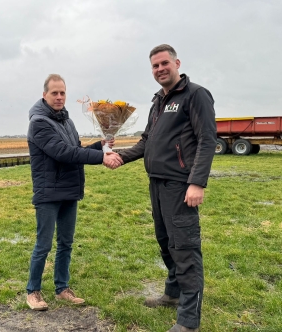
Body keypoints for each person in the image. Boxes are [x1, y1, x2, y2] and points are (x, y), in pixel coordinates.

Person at [117, 45, 216, 332]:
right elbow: (146, 141)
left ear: (176, 63)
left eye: (164, 63)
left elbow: (207, 140)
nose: (160, 69)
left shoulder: (195, 95)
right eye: (155, 66)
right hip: (157, 183)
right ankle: (173, 294)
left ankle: (188, 320)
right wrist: (119, 157)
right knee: (166, 242)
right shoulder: (157, 102)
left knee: (184, 247)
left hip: (180, 185)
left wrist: (197, 182)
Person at [26, 74, 122, 311]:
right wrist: (101, 157)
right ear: (44, 95)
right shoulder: (38, 122)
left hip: (69, 190)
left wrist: (100, 145)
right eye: (54, 93)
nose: (59, 97)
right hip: (49, 193)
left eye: (62, 93)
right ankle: (33, 292)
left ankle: (62, 289)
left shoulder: (66, 122)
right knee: (44, 244)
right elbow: (62, 153)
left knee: (66, 243)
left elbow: (75, 150)